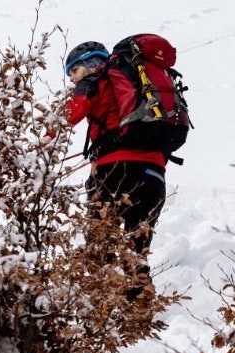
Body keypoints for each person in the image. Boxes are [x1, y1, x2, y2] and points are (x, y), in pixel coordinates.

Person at [62, 40, 169, 287]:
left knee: (99, 255)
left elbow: (71, 112)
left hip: (114, 174)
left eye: (73, 71)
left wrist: (45, 136)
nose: (72, 80)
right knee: (136, 258)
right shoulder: (139, 86)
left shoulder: (96, 78)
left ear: (90, 64)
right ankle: (139, 318)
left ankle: (101, 317)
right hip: (154, 177)